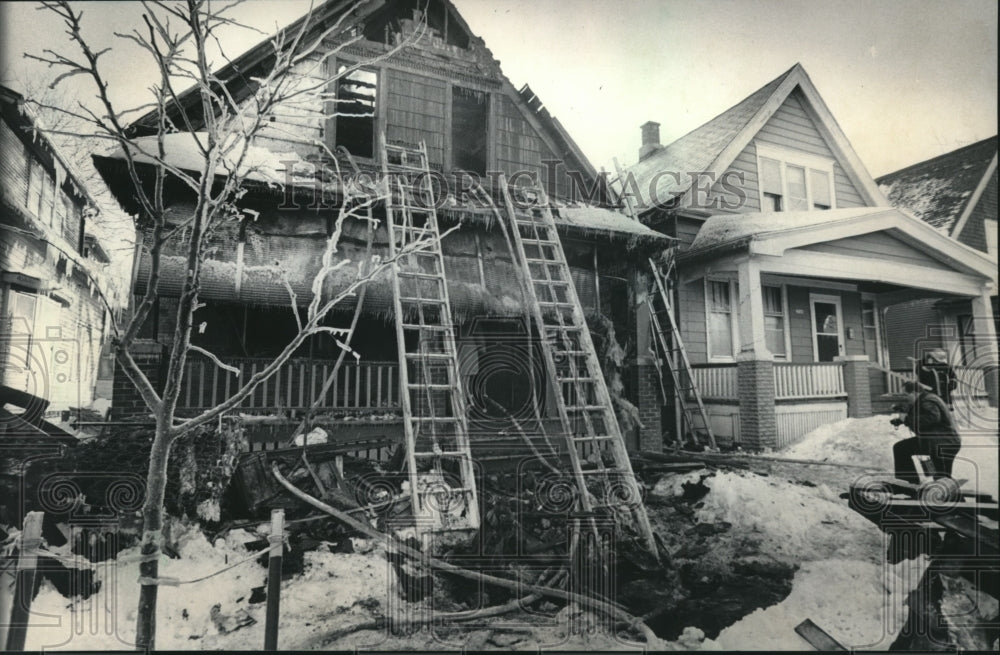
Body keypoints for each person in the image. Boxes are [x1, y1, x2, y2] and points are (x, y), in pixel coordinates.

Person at [890, 382, 961, 484]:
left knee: (942, 478)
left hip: (942, 443)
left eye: (906, 395)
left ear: (914, 393)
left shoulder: (927, 400)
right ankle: (908, 483)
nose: (905, 398)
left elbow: (933, 417)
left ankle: (908, 484)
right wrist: (901, 420)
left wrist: (907, 419)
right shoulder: (925, 399)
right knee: (901, 448)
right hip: (940, 442)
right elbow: (922, 414)